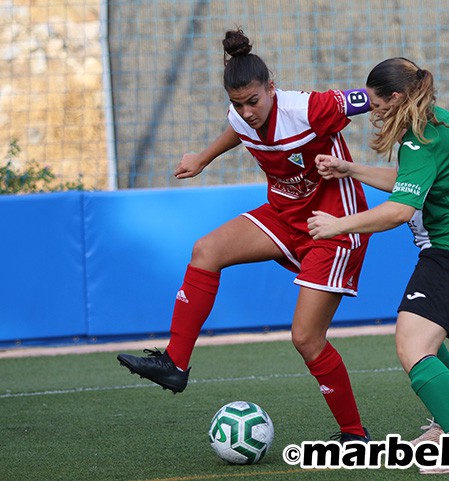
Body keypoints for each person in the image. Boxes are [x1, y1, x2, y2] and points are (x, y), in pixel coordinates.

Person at [118, 28, 372, 443]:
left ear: (272, 87)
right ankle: (175, 364)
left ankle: (353, 434)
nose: (248, 111)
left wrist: (410, 101)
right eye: (238, 103)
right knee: (206, 250)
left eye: (254, 100)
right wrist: (202, 158)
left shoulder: (310, 108)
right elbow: (239, 129)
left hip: (333, 223)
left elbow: (372, 96)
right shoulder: (241, 113)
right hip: (284, 215)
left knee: (306, 338)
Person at [307, 57, 449, 465]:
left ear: (396, 98)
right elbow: (410, 179)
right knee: (420, 338)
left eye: (377, 105)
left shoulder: (419, 139)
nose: (373, 113)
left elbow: (398, 210)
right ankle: (445, 426)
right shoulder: (437, 120)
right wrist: (350, 169)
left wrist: (338, 225)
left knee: (411, 344)